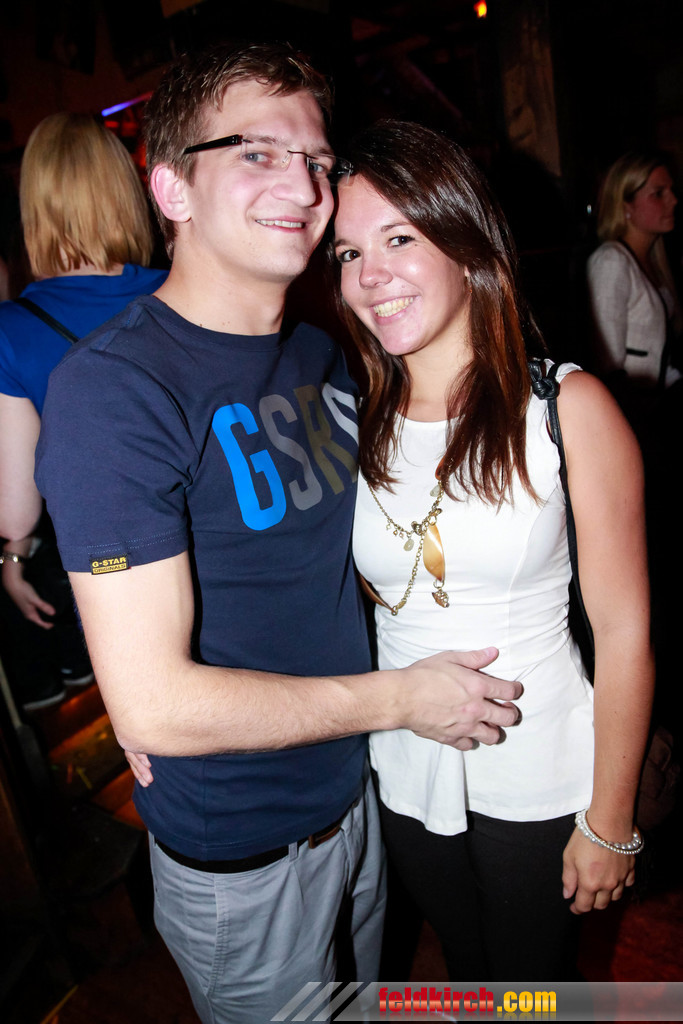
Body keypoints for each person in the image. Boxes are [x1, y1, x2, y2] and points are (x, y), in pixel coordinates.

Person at [35, 46, 522, 1022]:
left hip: (356, 801)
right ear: (170, 187)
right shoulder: (114, 390)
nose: (302, 187)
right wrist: (403, 699)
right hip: (246, 855)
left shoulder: (318, 353)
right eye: (255, 152)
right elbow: (160, 706)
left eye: (315, 160)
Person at [332, 120, 654, 981]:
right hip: (403, 767)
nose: (369, 275)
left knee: (530, 989)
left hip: (537, 770)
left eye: (399, 238)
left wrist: (609, 818)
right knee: (468, 972)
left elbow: (623, 632)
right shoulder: (353, 418)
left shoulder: (565, 408)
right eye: (348, 252)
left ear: (466, 242)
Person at [0, 112, 167, 710]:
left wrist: (13, 558)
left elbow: (16, 510)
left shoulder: (12, 332)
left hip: (120, 578)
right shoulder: (189, 288)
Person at [587, 152, 681, 401]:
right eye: (658, 193)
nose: (673, 200)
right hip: (634, 408)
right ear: (626, 204)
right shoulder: (611, 261)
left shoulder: (654, 260)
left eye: (671, 190)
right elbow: (607, 365)